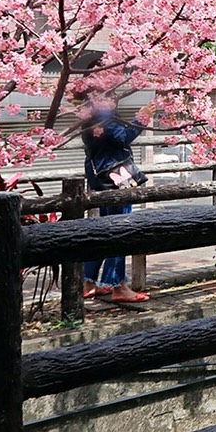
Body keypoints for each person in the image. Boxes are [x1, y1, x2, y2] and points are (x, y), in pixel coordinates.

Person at [77, 95, 152, 304]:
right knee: (119, 230)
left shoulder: (87, 114)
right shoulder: (104, 114)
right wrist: (142, 118)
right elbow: (123, 138)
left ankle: (88, 281)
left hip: (99, 178)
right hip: (116, 178)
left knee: (104, 230)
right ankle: (118, 285)